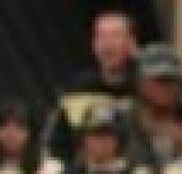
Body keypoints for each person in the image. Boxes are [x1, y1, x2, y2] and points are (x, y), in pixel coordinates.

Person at [43, 8, 139, 164]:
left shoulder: (147, 87)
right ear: (94, 45)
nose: (107, 44)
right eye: (101, 36)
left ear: (132, 43)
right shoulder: (77, 89)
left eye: (115, 36)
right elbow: (56, 145)